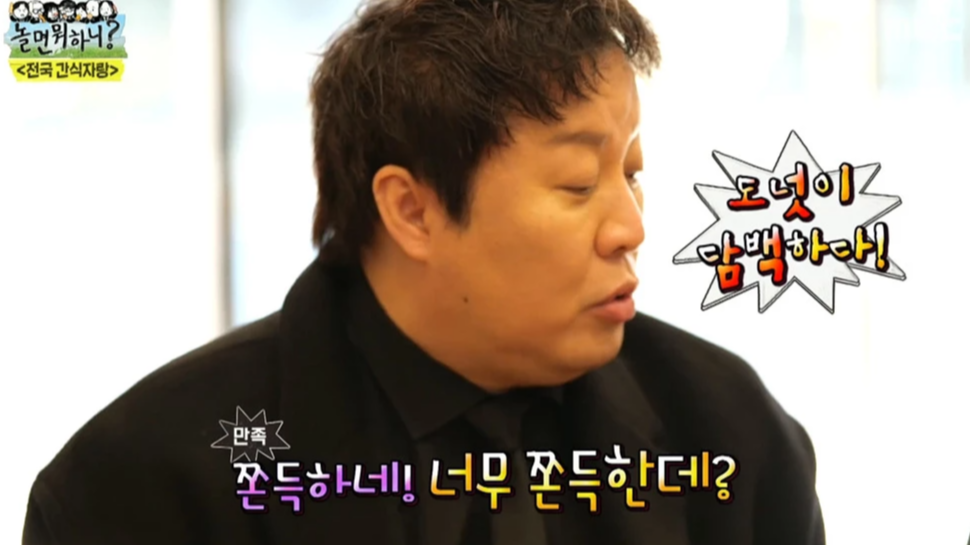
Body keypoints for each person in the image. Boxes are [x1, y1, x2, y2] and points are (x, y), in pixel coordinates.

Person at [22, 0, 825, 544]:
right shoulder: (148, 486)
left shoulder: (727, 431)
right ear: (411, 209)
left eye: (633, 172)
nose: (631, 227)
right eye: (579, 184)